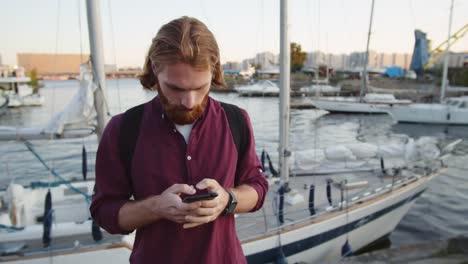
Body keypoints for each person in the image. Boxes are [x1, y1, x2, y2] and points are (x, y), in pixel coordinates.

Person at [90, 16, 268, 264]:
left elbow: (257, 188)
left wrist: (227, 200)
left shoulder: (236, 120)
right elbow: (104, 212)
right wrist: (156, 207)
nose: (190, 101)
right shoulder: (123, 129)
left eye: (201, 87)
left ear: (214, 70)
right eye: (176, 88)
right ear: (155, 68)